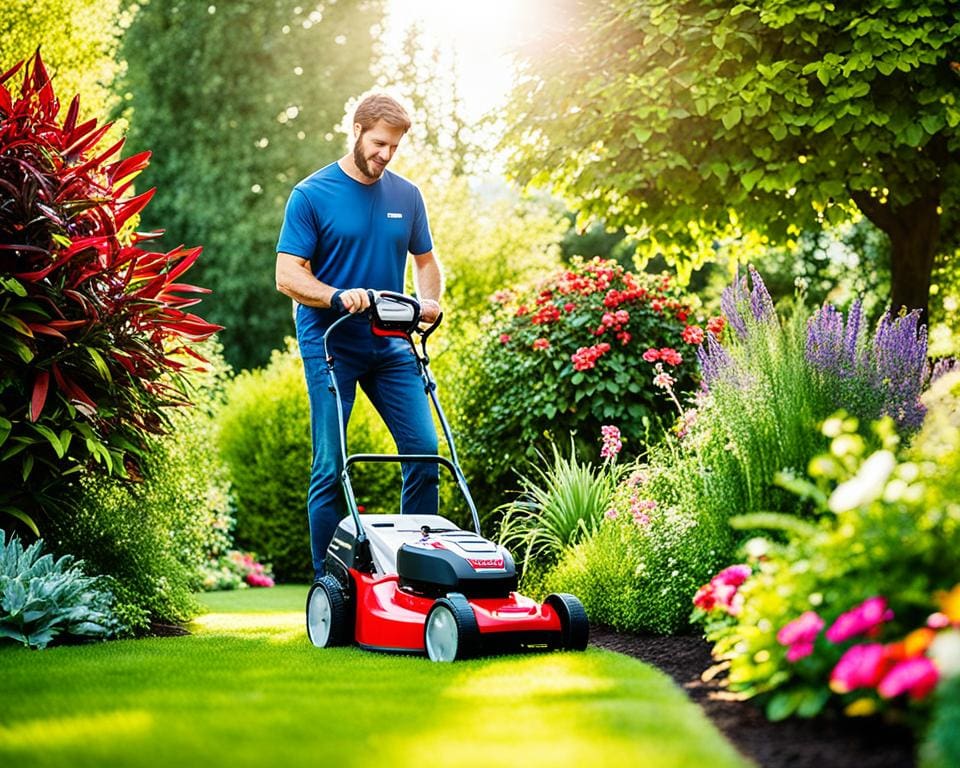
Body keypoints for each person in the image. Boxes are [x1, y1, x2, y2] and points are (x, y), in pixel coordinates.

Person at [275, 93, 443, 580]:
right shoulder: (311, 194)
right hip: (330, 345)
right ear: (356, 130)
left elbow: (426, 261)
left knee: (424, 451)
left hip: (391, 343)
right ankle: (330, 585)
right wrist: (334, 296)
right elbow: (287, 274)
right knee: (331, 466)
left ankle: (418, 572)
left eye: (394, 147)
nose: (385, 155)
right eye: (378, 144)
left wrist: (427, 302)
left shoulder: (407, 196)